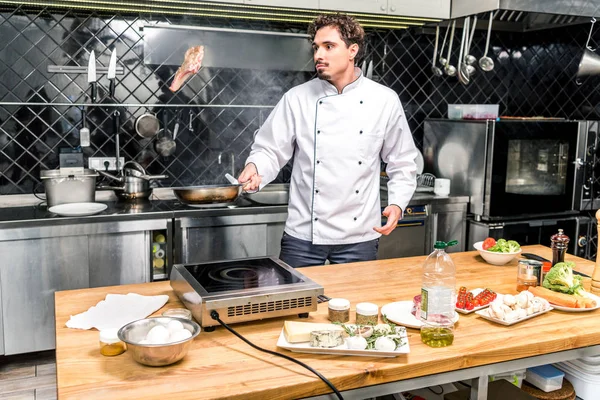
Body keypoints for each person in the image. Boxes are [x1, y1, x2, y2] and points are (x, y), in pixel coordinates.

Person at [238, 13, 418, 267]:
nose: (318, 56)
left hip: (360, 236)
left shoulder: (384, 100)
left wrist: (398, 204)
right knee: (297, 305)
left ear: (352, 50)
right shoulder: (297, 98)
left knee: (355, 306)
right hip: (303, 236)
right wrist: (255, 168)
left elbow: (402, 161)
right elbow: (269, 149)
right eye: (316, 47)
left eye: (329, 46)